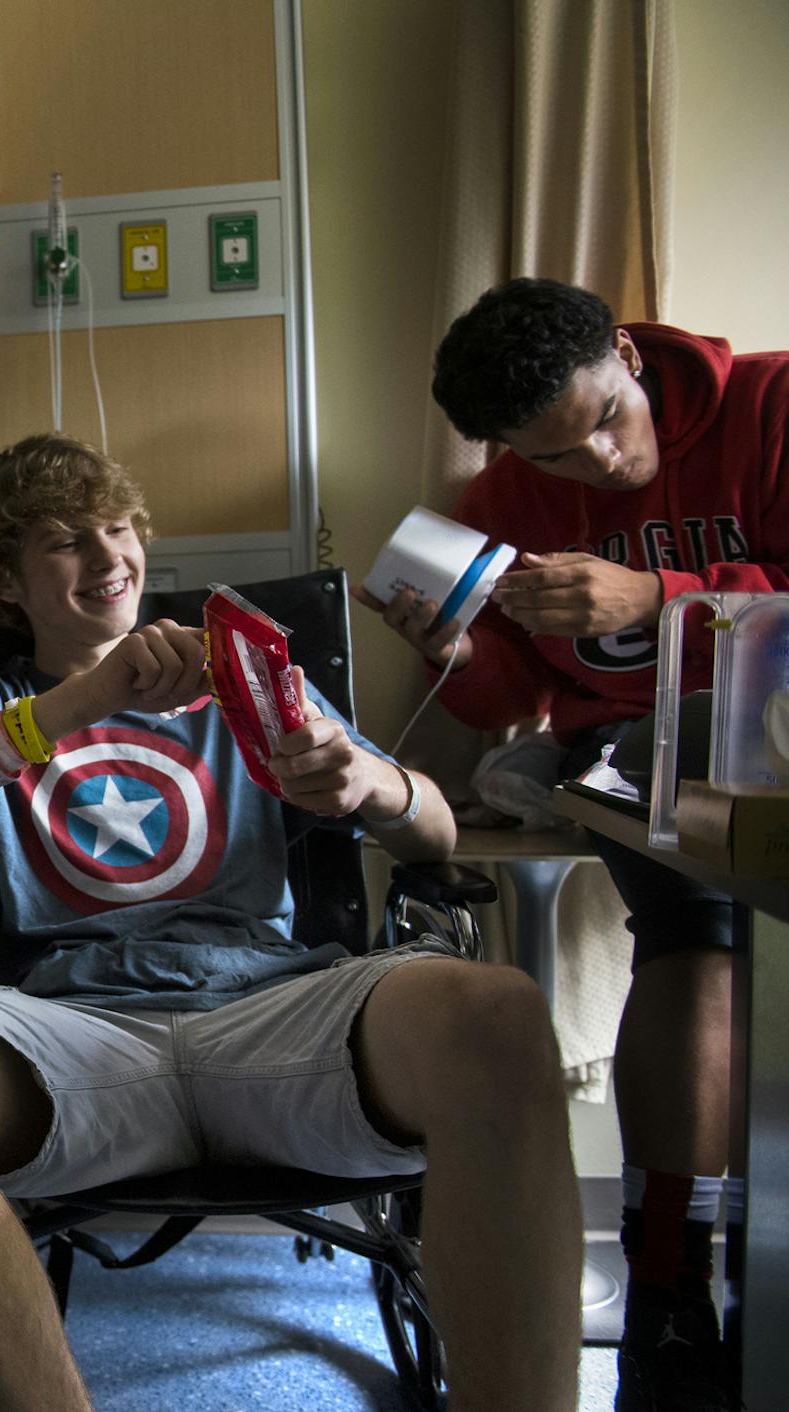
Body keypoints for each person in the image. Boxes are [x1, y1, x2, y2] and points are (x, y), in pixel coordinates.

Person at [0, 433, 582, 1412]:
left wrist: (373, 780)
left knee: (497, 1011)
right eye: (68, 541)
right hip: (72, 1032)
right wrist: (85, 698)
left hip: (271, 1010)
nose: (110, 559)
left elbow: (435, 834)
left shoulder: (248, 675)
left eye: (118, 530)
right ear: (4, 579)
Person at [361, 275, 786, 1411]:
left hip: (776, 728)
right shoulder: (498, 501)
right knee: (698, 929)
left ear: (629, 356)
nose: (597, 462)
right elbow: (523, 697)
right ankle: (672, 1278)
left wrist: (660, 594)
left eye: (607, 417)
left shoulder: (769, 405)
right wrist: (458, 653)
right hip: (631, 757)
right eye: (556, 457)